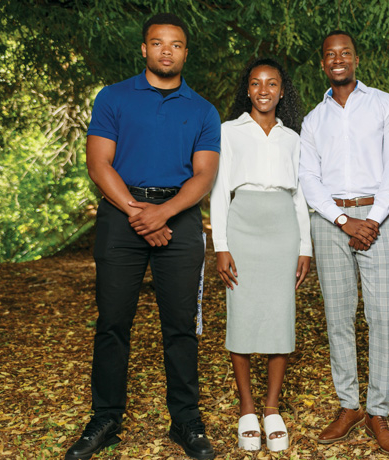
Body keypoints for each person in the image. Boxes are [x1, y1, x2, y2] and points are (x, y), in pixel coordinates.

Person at [65, 13, 220, 460]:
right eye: (157, 43)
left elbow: (204, 175)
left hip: (181, 216)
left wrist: (164, 213)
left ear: (185, 52)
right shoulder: (113, 98)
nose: (166, 51)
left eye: (175, 44)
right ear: (144, 49)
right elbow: (99, 165)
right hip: (121, 214)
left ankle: (186, 421)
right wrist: (138, 213)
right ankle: (106, 418)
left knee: (181, 327)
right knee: (112, 323)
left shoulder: (203, 109)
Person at [299, 30, 389, 458]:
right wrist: (344, 220)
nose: (338, 59)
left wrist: (372, 220)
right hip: (330, 222)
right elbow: (309, 177)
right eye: (330, 55)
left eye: (345, 53)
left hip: (378, 218)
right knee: (338, 315)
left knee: (383, 314)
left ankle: (379, 412)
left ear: (356, 59)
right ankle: (349, 406)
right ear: (323, 64)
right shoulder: (313, 119)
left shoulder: (384, 104)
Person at [210, 57, 312, 453]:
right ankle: (247, 410)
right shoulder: (228, 131)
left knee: (280, 316)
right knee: (242, 315)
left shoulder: (293, 137)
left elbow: (300, 194)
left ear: (282, 91)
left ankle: (272, 409)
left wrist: (305, 246)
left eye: (272, 84)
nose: (264, 90)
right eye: (256, 83)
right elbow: (219, 191)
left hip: (283, 228)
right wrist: (221, 246)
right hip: (243, 225)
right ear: (247, 89)